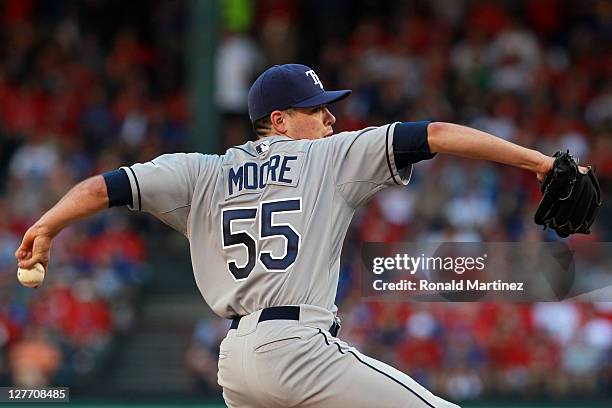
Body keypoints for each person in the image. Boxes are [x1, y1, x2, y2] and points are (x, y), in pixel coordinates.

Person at [16, 64, 557, 407]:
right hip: (298, 349)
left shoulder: (200, 171)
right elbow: (436, 134)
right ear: (279, 120)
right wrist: (541, 164)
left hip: (237, 366)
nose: (329, 120)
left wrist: (45, 226)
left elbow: (100, 188)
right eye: (316, 110)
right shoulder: (327, 156)